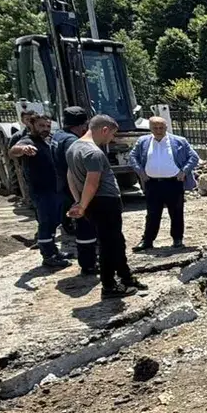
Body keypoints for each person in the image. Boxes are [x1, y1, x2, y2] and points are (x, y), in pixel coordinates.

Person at [66, 114, 146, 299]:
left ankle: (126, 278)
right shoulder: (93, 152)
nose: (111, 139)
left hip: (94, 203)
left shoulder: (73, 147)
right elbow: (92, 182)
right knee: (109, 246)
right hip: (104, 202)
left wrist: (79, 201)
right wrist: (82, 205)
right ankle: (109, 286)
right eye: (112, 135)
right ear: (104, 130)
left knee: (117, 242)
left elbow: (71, 176)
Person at [9, 113, 72, 270]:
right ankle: (48, 256)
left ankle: (54, 251)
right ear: (32, 125)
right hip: (41, 190)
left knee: (55, 222)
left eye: (48, 126)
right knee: (46, 223)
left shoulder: (49, 140)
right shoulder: (29, 141)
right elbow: (13, 151)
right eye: (41, 126)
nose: (45, 129)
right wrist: (23, 149)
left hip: (55, 189)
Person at [130, 116, 200, 251]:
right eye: (155, 128)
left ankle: (177, 239)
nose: (158, 130)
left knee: (176, 212)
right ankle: (147, 240)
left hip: (173, 183)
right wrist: (140, 172)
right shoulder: (143, 141)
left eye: (161, 127)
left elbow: (194, 157)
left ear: (166, 127)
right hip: (152, 183)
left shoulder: (179, 141)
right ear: (150, 128)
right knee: (152, 213)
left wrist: (184, 171)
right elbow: (133, 157)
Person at [51, 106, 97, 277]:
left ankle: (87, 260)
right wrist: (82, 199)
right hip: (76, 189)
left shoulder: (58, 136)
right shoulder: (73, 142)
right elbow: (76, 169)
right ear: (82, 125)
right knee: (86, 226)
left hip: (63, 187)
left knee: (80, 225)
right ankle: (89, 263)